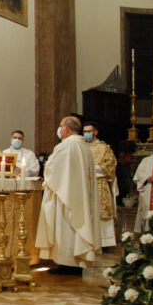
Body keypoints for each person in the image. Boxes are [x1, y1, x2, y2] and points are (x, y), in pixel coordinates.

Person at [35, 116, 101, 274]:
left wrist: (47, 166)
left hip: (67, 196)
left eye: (60, 125)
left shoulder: (67, 147)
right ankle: (75, 262)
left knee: (66, 227)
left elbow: (53, 170)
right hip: (79, 196)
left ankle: (67, 263)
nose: (59, 129)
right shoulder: (84, 147)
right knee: (77, 224)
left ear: (67, 129)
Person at [83, 122, 118, 246]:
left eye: (89, 131)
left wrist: (92, 168)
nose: (86, 134)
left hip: (99, 183)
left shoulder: (104, 147)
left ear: (95, 132)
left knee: (102, 213)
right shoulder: (82, 147)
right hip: (84, 184)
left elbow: (110, 164)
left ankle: (104, 243)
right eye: (84, 131)